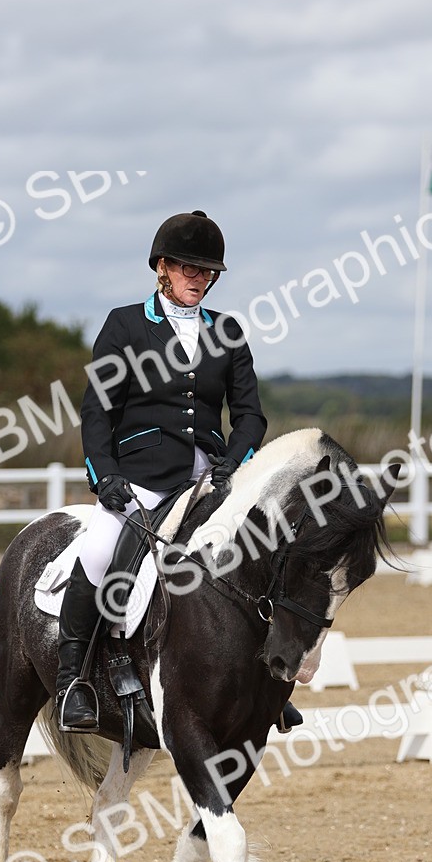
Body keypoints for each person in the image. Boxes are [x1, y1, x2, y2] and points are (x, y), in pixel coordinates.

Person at [56, 209, 301, 735]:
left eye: (207, 271)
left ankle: (268, 679)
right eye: (189, 268)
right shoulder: (125, 324)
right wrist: (106, 477)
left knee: (263, 553)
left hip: (210, 480)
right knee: (100, 552)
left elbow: (250, 413)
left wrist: (233, 465)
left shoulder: (226, 331)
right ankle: (72, 679)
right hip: (141, 475)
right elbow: (98, 410)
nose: (200, 278)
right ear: (162, 267)